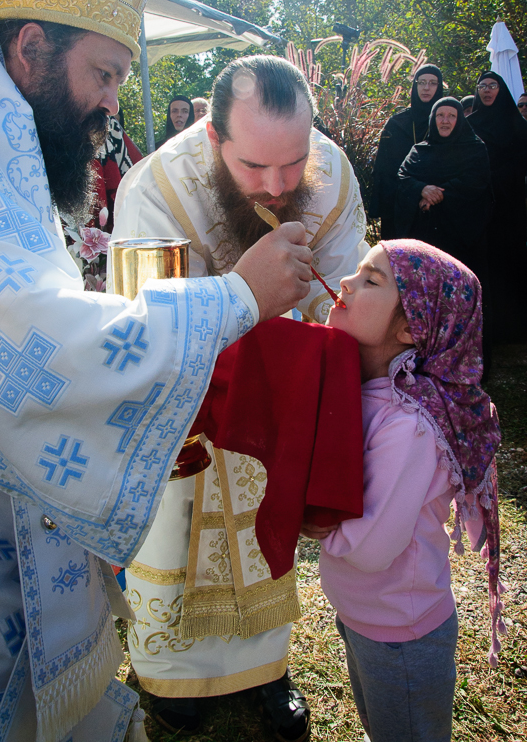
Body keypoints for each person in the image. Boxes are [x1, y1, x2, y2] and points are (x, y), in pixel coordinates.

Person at [0, 0, 314, 742]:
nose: (112, 102)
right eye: (103, 75)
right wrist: (238, 296)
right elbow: (27, 346)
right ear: (31, 45)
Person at [112, 53, 368, 740]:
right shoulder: (159, 187)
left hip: (279, 401)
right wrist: (246, 297)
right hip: (189, 408)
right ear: (213, 136)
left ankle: (265, 668)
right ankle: (167, 671)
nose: (278, 186)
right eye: (254, 166)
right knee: (176, 530)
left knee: (265, 524)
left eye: (294, 161)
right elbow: (146, 322)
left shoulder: (330, 174)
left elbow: (344, 297)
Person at [303, 239, 502, 742]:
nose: (346, 282)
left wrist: (316, 525)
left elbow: (371, 549)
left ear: (412, 327)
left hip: (400, 633)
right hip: (363, 614)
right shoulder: (361, 390)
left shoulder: (408, 426)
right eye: (357, 271)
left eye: (371, 280)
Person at [395, 97, 491, 277]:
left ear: (460, 119)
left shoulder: (475, 148)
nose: (445, 120)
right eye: (440, 115)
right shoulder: (419, 150)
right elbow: (403, 176)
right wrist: (422, 189)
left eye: (451, 116)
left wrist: (438, 196)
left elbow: (475, 181)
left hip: (460, 234)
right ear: (433, 118)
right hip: (424, 233)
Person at [468, 70, 527, 342]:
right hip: (480, 206)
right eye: (483, 86)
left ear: (501, 89)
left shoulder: (517, 124)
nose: (487, 90)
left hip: (509, 205)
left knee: (509, 260)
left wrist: (501, 178)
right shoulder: (470, 125)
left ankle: (513, 327)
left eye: (493, 85)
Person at [369, 65, 444, 239]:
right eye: (422, 82)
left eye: (432, 83)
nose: (426, 88)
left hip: (436, 209)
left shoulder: (447, 123)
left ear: (439, 87)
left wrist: (431, 195)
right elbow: (386, 170)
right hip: (399, 207)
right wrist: (418, 190)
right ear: (415, 86)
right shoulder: (397, 123)